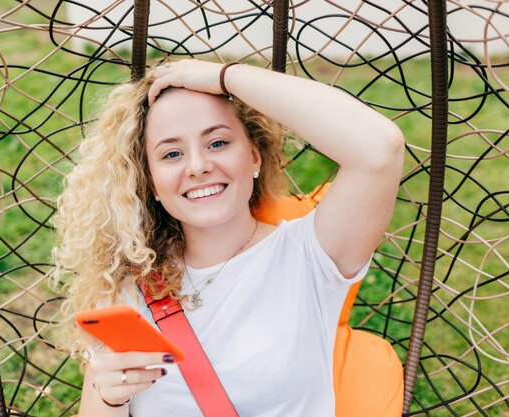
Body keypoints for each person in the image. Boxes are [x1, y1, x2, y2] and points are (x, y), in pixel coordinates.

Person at [52, 59, 404, 417]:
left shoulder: (311, 254)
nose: (198, 166)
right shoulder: (127, 286)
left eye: (217, 142)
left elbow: (380, 147)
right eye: (172, 153)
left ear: (254, 157)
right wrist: (109, 397)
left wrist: (225, 76)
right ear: (151, 182)